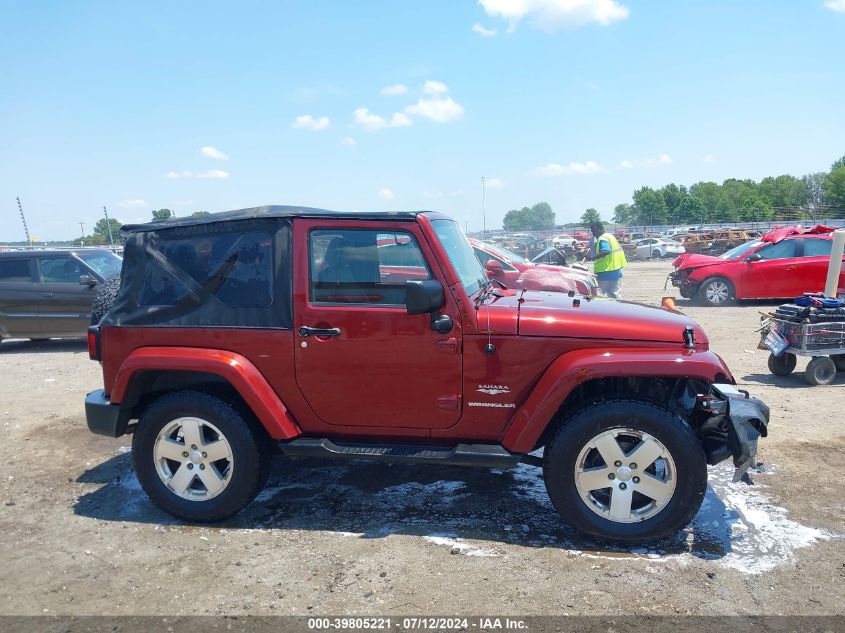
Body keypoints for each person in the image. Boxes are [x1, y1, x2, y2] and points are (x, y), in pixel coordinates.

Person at [586, 221, 627, 299]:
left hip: (605, 272)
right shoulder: (610, 236)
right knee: (615, 295)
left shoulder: (602, 238)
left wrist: (592, 258)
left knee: (597, 296)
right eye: (592, 232)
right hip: (615, 271)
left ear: (601, 229)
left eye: (595, 231)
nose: (594, 234)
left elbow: (606, 251)